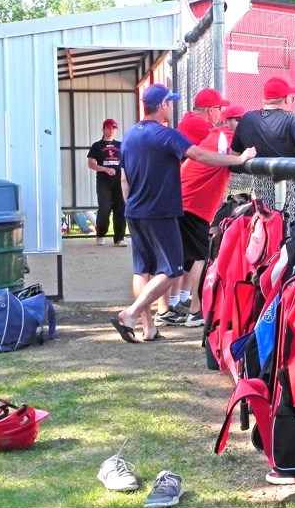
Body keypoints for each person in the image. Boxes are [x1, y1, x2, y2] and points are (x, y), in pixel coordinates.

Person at [109, 84, 256, 343]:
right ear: (163, 105)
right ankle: (130, 314)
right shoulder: (165, 135)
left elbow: (124, 179)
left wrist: (130, 204)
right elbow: (200, 155)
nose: (173, 107)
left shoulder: (130, 135)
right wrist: (239, 159)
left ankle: (148, 327)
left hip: (134, 210)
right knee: (173, 269)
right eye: (171, 102)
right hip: (160, 211)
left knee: (142, 270)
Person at [170, 104, 249, 329]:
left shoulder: (218, 135)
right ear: (227, 122)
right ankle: (196, 310)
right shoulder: (226, 138)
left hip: (186, 203)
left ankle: (174, 306)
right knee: (201, 257)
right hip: (192, 205)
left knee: (186, 258)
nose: (243, 126)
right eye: (239, 120)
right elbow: (235, 155)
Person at [231, 77, 295, 162]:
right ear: (286, 99)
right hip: (290, 179)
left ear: (265, 100)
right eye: (292, 98)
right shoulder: (292, 119)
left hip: (255, 179)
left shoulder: (246, 119)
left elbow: (234, 155)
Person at [87, 118, 127, 246]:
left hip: (119, 182)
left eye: (114, 128)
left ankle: (119, 238)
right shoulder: (97, 146)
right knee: (104, 208)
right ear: (104, 129)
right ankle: (100, 233)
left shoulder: (121, 145)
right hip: (104, 182)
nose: (111, 130)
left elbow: (127, 161)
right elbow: (91, 164)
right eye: (109, 127)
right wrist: (104, 169)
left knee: (120, 208)